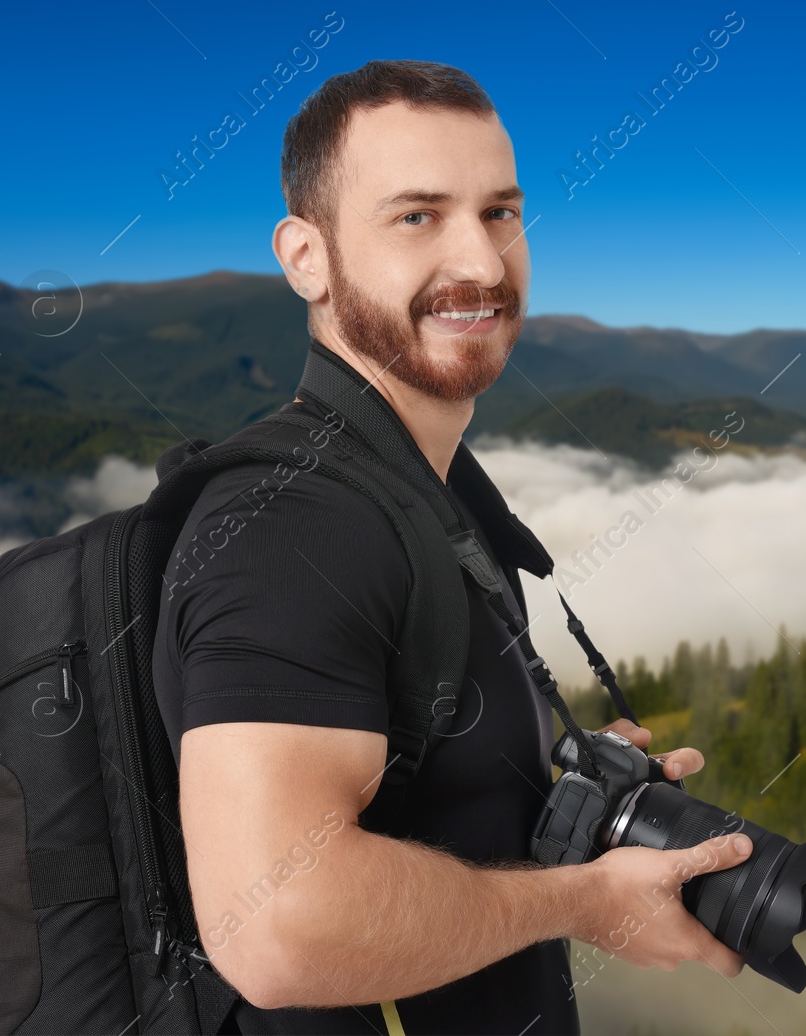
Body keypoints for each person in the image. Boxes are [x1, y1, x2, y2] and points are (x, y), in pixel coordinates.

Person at [152, 60, 753, 1036]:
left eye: (501, 213)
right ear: (306, 256)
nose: (480, 260)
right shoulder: (286, 531)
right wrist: (582, 902)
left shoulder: (432, 498)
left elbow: (403, 795)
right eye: (417, 217)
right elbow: (278, 931)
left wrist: (546, 797)